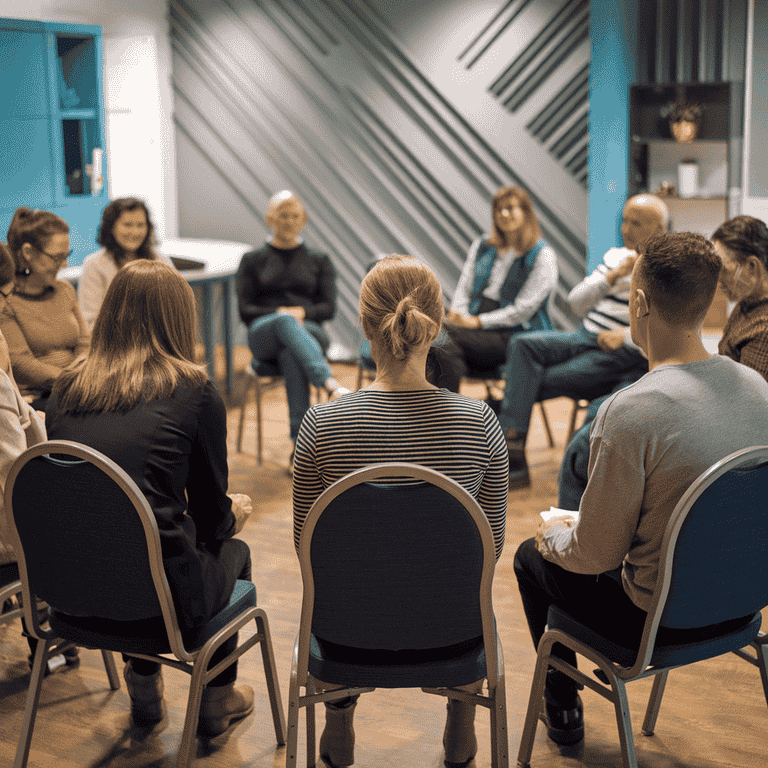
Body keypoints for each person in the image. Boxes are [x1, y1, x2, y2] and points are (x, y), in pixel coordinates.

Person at [513, 232, 768, 747]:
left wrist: (553, 534)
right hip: (744, 604)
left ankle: (561, 709)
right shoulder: (759, 389)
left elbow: (596, 554)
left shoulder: (631, 412)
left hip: (656, 622)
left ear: (639, 303)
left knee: (529, 559)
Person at [293, 255, 508, 768]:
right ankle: (461, 720)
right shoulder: (478, 423)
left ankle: (338, 719)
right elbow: (490, 547)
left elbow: (306, 547)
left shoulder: (321, 425)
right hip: (451, 634)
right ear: (436, 328)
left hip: (346, 637)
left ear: (365, 325)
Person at [45, 260, 254, 736]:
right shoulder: (195, 393)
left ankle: (144, 693)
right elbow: (211, 516)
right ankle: (217, 702)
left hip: (67, 592)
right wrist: (235, 514)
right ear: (181, 318)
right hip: (158, 606)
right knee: (231, 551)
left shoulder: (64, 389)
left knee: (119, 538)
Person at [557, 214, 768, 510]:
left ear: (752, 266)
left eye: (723, 268)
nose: (718, 280)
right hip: (711, 410)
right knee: (600, 416)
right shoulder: (747, 306)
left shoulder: (763, 329)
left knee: (585, 447)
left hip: (722, 441)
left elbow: (743, 409)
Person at [497, 193, 669, 488]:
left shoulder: (665, 267)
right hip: (584, 336)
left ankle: (512, 454)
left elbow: (669, 324)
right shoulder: (617, 257)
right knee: (522, 345)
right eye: (624, 220)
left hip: (621, 353)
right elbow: (575, 303)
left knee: (530, 380)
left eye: (636, 223)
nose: (625, 229)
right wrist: (614, 275)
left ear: (659, 229)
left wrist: (626, 336)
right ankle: (513, 455)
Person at [236, 191, 349, 451]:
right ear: (269, 218)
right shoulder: (252, 260)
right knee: (284, 323)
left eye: (294, 216)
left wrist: (301, 313)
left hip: (309, 331)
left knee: (291, 351)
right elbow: (245, 310)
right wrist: (282, 314)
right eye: (282, 215)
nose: (288, 221)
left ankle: (299, 443)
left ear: (304, 220)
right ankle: (328, 383)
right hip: (263, 333)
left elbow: (328, 308)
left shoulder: (319, 260)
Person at [439, 185, 558, 393]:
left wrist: (476, 322)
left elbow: (522, 311)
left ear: (525, 213)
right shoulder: (483, 245)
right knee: (438, 338)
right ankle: (447, 413)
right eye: (499, 209)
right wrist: (460, 315)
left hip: (515, 334)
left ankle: (439, 414)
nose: (503, 214)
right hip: (472, 327)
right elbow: (464, 287)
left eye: (510, 208)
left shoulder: (542, 255)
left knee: (439, 336)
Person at [1, 207, 89, 409]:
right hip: (37, 399)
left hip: (77, 387)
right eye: (57, 257)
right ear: (28, 252)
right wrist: (75, 379)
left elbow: (86, 342)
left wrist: (81, 375)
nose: (64, 264)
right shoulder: (7, 300)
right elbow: (21, 363)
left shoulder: (65, 289)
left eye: (66, 255)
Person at [79, 197, 174, 330]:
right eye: (127, 225)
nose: (135, 232)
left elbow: (174, 310)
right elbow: (91, 321)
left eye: (140, 225)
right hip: (113, 345)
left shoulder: (161, 261)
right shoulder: (94, 265)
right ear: (111, 227)